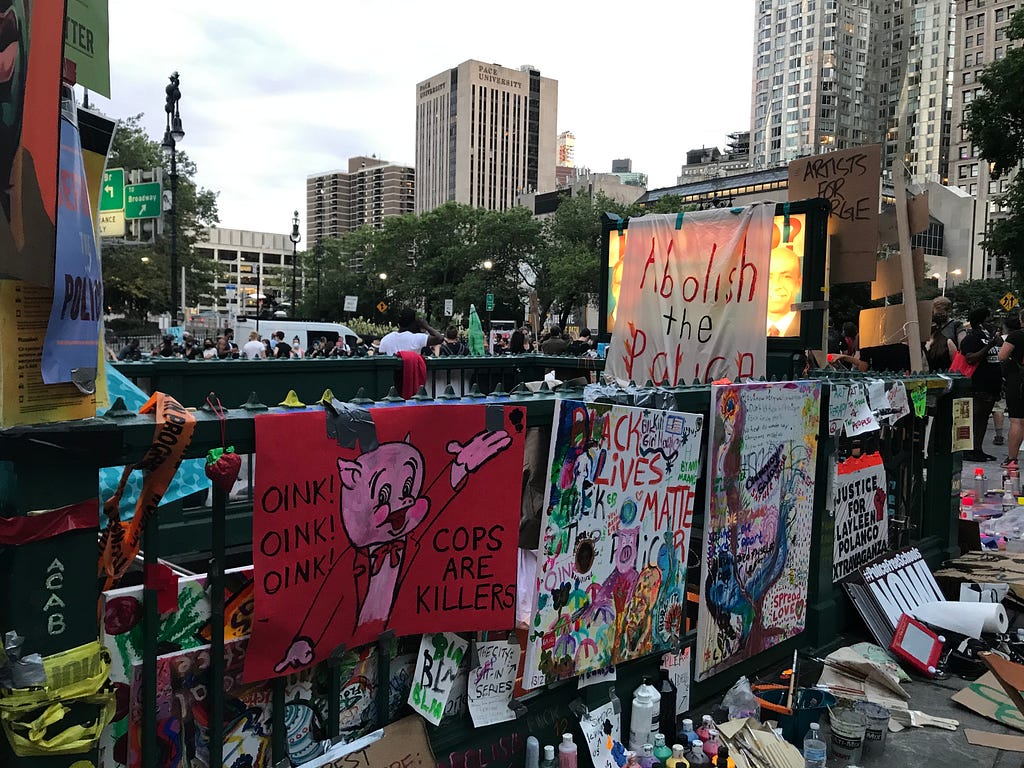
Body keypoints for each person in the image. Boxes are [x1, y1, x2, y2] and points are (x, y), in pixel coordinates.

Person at [960, 307, 1003, 462]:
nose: (992, 322)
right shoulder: (973, 338)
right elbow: (970, 358)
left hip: (992, 385)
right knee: (975, 417)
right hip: (978, 385)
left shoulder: (989, 336)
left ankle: (978, 449)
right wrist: (989, 346)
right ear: (981, 322)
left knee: (983, 418)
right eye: (989, 319)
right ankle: (968, 449)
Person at [999, 312, 1024, 468]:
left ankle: (1012, 459)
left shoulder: (1015, 336)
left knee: (1017, 420)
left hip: (1019, 381)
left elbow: (1002, 355)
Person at [766, 245, 802, 336]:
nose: (776, 285)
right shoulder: (742, 328)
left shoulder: (809, 329)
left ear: (798, 283)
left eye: (786, 277)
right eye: (768, 277)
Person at [379, 307, 443, 355]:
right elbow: (440, 338)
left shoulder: (385, 339)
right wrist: (426, 326)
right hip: (410, 372)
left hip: (390, 372)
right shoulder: (417, 338)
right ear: (413, 323)